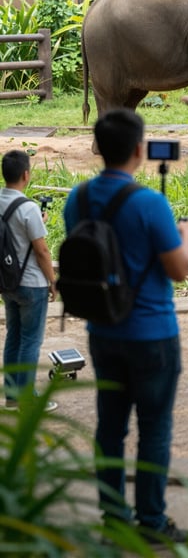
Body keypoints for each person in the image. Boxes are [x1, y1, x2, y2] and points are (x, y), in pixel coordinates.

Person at [63, 109, 188, 544]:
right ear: (140, 150)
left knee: (110, 428)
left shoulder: (76, 199)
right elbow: (178, 270)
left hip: (103, 331)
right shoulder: (149, 202)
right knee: (154, 429)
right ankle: (152, 523)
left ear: (99, 148)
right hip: (153, 334)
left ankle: (113, 520)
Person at [1, 149, 57, 412]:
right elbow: (42, 250)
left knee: (14, 336)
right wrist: (53, 280)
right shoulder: (29, 208)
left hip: (7, 282)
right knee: (31, 341)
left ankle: (12, 396)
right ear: (26, 174)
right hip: (32, 283)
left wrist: (38, 220)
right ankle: (28, 398)